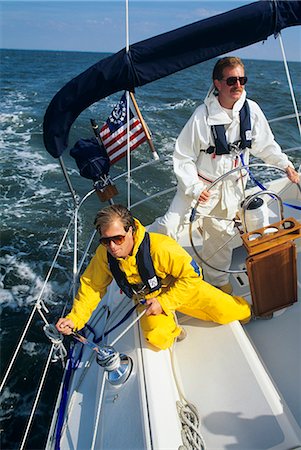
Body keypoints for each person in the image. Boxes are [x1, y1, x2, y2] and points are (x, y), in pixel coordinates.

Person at [149, 56, 299, 293]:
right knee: (169, 226)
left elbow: (266, 145)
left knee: (235, 231)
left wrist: (285, 165)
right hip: (200, 187)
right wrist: (195, 189)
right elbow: (182, 157)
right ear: (217, 83)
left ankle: (235, 280)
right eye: (231, 80)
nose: (238, 85)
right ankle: (142, 256)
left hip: (234, 187)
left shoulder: (251, 110)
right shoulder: (202, 116)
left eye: (242, 79)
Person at [56, 204, 251, 350]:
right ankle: (174, 328)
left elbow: (192, 276)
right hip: (147, 300)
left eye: (118, 238)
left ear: (131, 229)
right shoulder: (104, 255)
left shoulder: (160, 247)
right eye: (106, 241)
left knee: (233, 312)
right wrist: (74, 319)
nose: (113, 246)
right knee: (158, 338)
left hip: (179, 290)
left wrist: (165, 302)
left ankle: (247, 308)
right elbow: (92, 286)